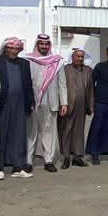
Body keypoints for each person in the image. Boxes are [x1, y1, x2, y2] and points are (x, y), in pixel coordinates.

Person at [0, 37, 35, 178]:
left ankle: (18, 167)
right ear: (5, 48)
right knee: (0, 135)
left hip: (20, 103)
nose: (14, 51)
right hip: (1, 103)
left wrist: (31, 102)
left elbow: (28, 85)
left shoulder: (24, 63)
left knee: (19, 135)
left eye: (17, 49)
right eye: (11, 48)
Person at [23, 33, 68, 172]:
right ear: (37, 45)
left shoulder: (57, 61)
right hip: (33, 101)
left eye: (46, 44)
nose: (44, 46)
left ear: (49, 46)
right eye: (41, 44)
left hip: (51, 101)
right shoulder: (28, 60)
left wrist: (64, 103)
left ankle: (48, 161)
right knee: (31, 132)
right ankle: (28, 161)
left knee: (49, 132)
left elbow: (62, 83)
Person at [59, 48, 93, 168]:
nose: (80, 58)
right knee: (67, 130)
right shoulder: (65, 69)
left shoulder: (88, 70)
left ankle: (77, 157)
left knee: (79, 131)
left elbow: (91, 89)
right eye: (77, 56)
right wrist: (62, 104)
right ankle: (66, 157)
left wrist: (91, 104)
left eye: (82, 57)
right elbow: (61, 86)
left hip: (82, 106)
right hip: (68, 105)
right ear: (72, 57)